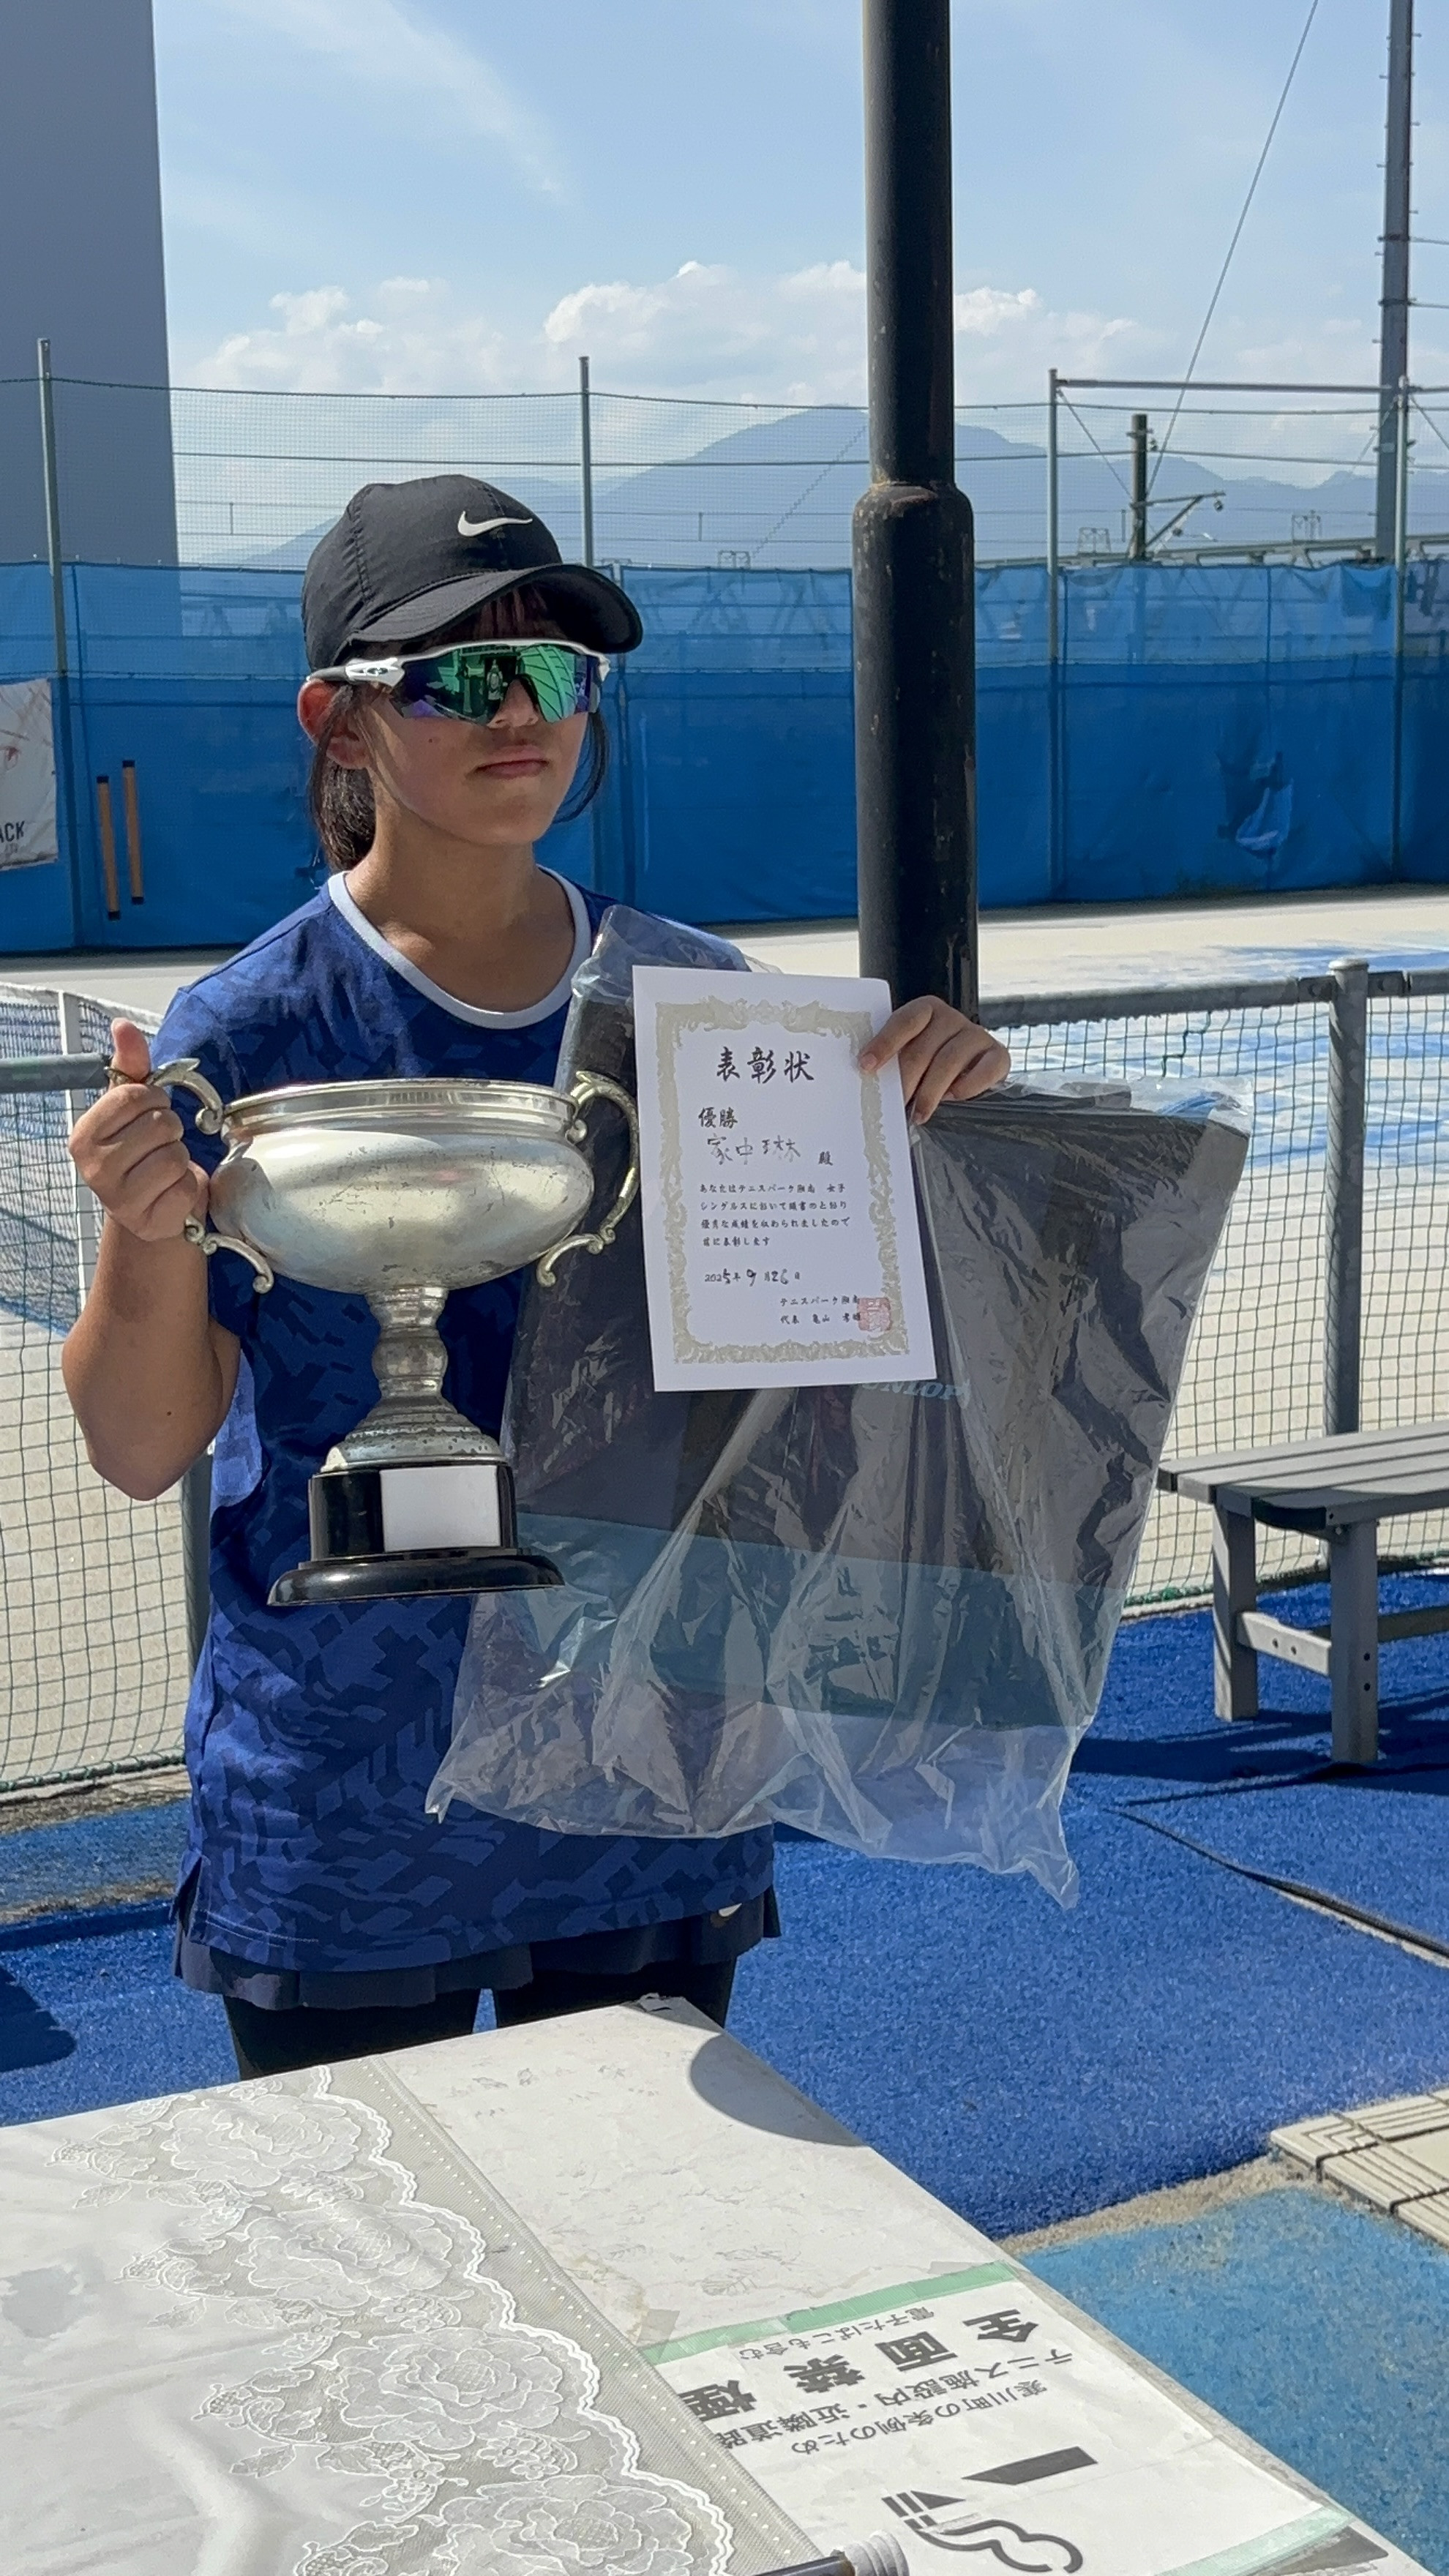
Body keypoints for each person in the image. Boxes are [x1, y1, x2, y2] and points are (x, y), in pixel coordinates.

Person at [63, 476, 1011, 2081]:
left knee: (645, 2218)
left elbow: (824, 1375)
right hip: (350, 1788)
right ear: (341, 720)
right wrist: (146, 1226)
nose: (523, 710)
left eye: (560, 670)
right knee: (380, 2230)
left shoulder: (696, 1007)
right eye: (460, 675)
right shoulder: (246, 1032)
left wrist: (933, 1126)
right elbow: (142, 1443)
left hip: (646, 1755)